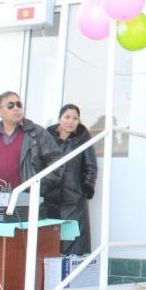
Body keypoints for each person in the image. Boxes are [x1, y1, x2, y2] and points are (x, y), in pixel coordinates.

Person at [0, 91, 63, 193]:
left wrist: (37, 188)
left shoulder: (37, 133)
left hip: (28, 200)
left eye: (19, 104)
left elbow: (57, 162)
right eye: (10, 105)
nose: (16, 108)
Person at [46, 104, 98, 255]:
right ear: (59, 119)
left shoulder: (82, 137)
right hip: (50, 196)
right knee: (51, 239)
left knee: (74, 242)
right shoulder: (47, 137)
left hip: (74, 197)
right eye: (67, 117)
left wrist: (86, 189)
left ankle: (74, 269)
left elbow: (91, 165)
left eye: (75, 118)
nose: (71, 121)